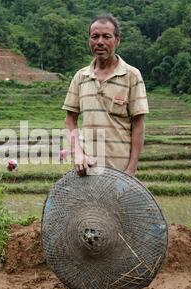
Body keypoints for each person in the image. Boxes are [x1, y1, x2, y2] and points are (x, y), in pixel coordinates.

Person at [63, 14, 149, 177]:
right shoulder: (80, 77)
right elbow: (70, 121)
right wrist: (78, 154)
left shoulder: (132, 75)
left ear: (117, 40)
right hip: (87, 171)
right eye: (95, 36)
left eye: (106, 36)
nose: (100, 42)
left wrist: (131, 169)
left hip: (120, 172)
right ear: (89, 40)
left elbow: (138, 125)